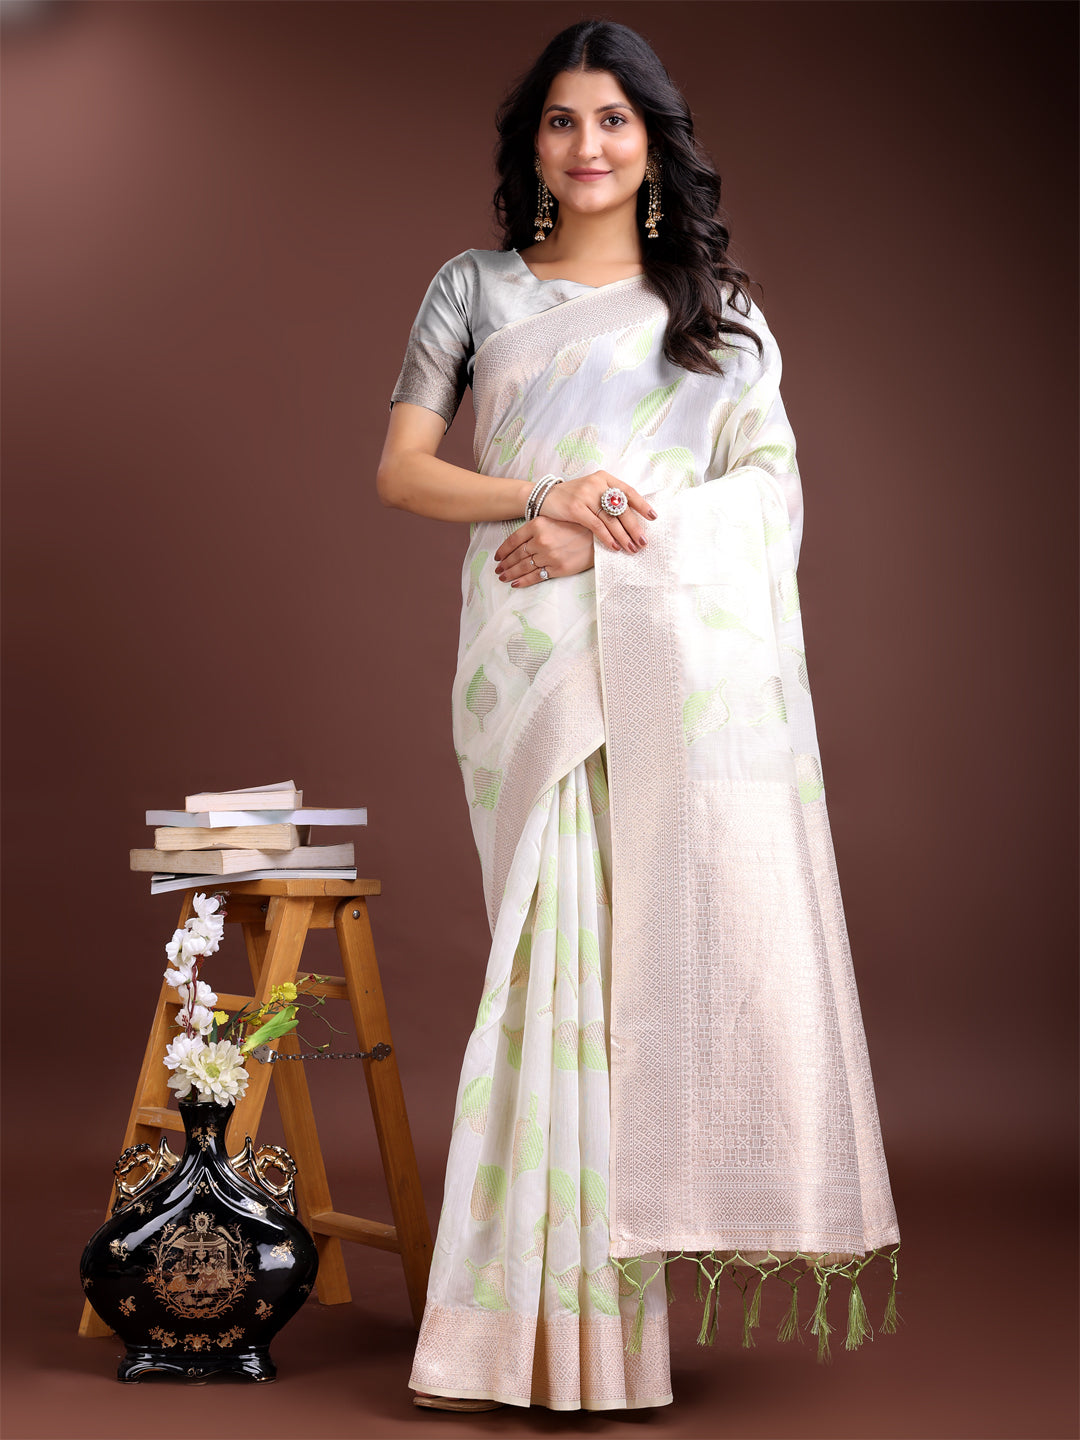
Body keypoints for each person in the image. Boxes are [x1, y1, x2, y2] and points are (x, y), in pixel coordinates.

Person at [377, 18, 901, 1414]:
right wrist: (539, 498)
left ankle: (590, 1339)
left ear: (654, 144)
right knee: (544, 972)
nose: (588, 144)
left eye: (613, 119)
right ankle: (523, 1330)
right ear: (533, 145)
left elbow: (767, 501)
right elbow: (405, 472)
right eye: (562, 120)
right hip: (526, 666)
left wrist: (606, 538)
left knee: (624, 981)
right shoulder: (477, 287)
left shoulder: (719, 315)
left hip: (660, 669)